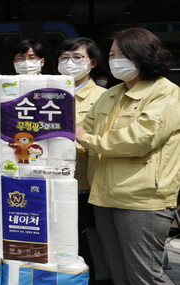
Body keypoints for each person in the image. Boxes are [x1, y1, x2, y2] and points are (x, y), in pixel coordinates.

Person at [75, 27, 180, 285]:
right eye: (111, 54)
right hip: (105, 196)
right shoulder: (112, 93)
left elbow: (139, 139)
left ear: (141, 55)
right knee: (118, 274)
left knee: (144, 276)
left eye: (121, 53)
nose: (114, 59)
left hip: (141, 200)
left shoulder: (164, 93)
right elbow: (82, 129)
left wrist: (85, 138)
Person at [57, 36, 107, 283]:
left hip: (84, 183)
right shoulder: (47, 90)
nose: (70, 63)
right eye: (65, 58)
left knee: (85, 243)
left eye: (77, 58)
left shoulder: (104, 96)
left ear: (92, 63)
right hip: (49, 180)